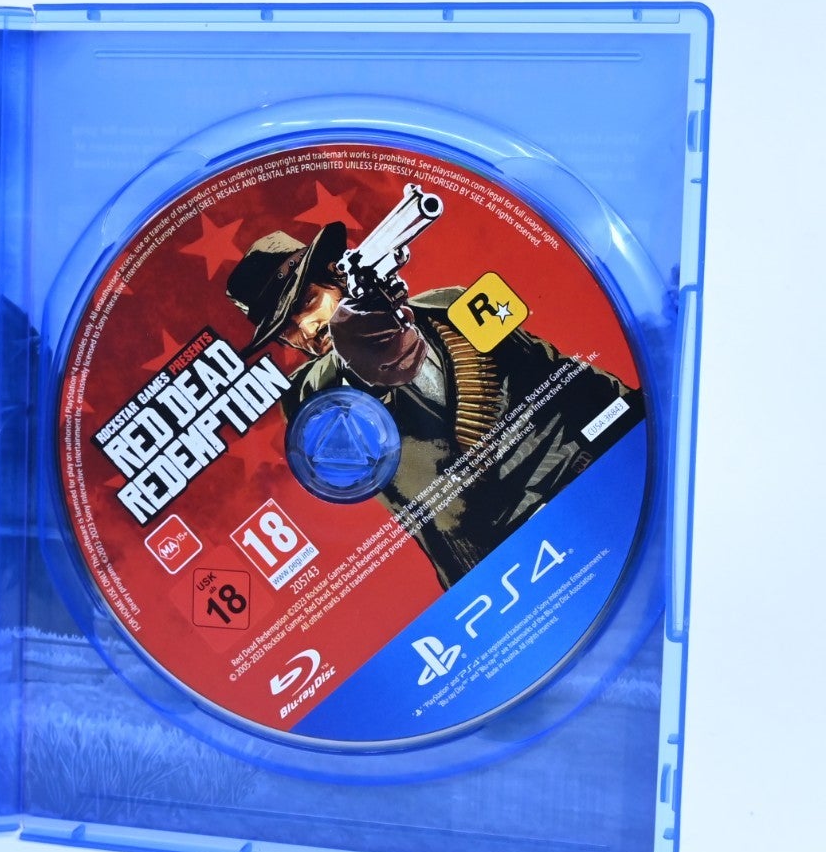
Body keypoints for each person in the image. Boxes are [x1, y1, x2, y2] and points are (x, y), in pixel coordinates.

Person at [225, 226, 644, 590]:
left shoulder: (451, 306)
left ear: (337, 277)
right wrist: (360, 362)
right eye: (285, 330)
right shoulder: (314, 399)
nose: (305, 330)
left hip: (601, 486)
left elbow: (565, 377)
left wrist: (645, 428)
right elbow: (327, 393)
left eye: (306, 303)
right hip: (508, 571)